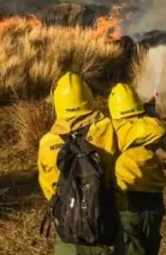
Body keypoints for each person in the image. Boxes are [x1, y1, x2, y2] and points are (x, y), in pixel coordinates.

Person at [38, 72, 119, 255]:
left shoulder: (47, 142)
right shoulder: (107, 128)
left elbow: (49, 189)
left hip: (68, 233)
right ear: (88, 97)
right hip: (105, 228)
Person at [107, 83, 166, 255]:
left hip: (125, 203)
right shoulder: (153, 128)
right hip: (153, 203)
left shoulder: (111, 130)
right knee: (150, 246)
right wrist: (152, 117)